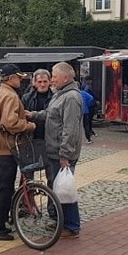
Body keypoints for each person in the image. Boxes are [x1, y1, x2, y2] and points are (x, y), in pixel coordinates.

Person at [26, 62, 84, 239]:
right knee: (57, 188)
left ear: (65, 78)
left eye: (54, 76)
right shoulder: (60, 95)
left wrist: (65, 154)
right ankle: (62, 221)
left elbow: (70, 128)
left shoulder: (71, 97)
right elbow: (50, 115)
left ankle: (71, 226)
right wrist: (34, 115)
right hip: (53, 151)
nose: (51, 80)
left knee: (64, 189)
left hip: (62, 153)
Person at [0, 64, 36, 241]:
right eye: (18, 77)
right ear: (10, 78)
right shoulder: (10, 96)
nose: (20, 80)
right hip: (6, 146)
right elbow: (10, 123)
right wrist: (30, 125)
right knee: (3, 188)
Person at [21, 69, 53, 157]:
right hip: (31, 137)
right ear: (34, 83)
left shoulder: (56, 97)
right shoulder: (26, 98)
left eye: (45, 81)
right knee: (28, 168)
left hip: (49, 138)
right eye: (39, 82)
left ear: (50, 82)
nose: (42, 85)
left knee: (50, 168)